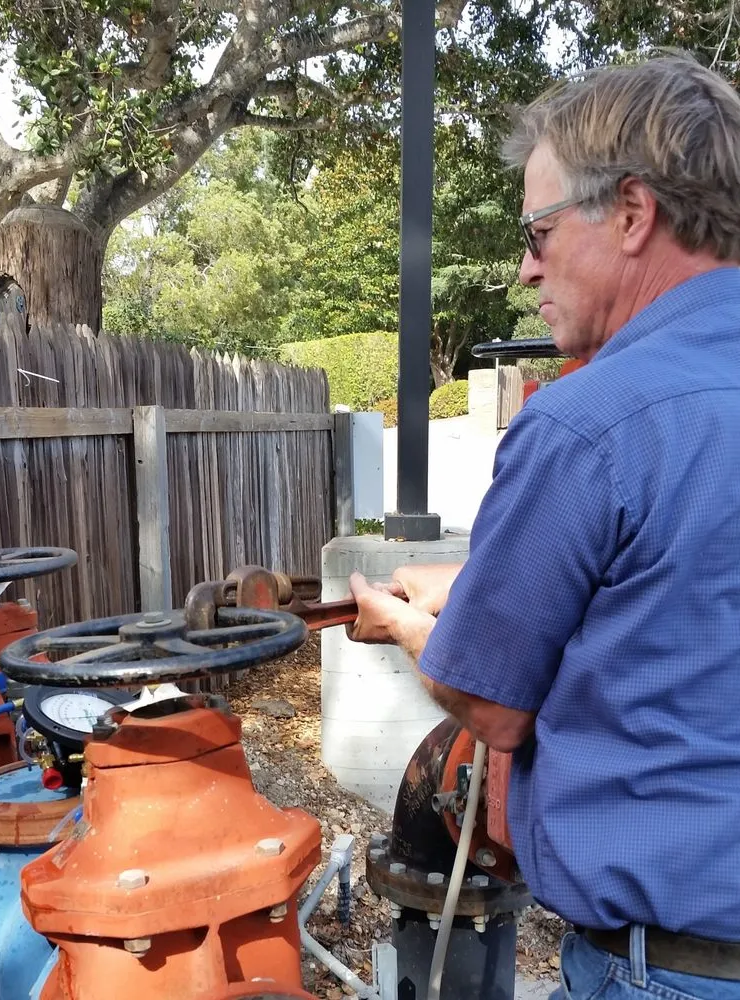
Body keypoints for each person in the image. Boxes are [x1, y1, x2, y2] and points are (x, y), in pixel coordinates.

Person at [347, 54, 740, 1000]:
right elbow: (676, 592)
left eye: (540, 229)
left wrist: (409, 627)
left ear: (634, 214)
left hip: (670, 971)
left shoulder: (588, 424)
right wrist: (467, 580)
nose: (527, 266)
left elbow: (489, 703)